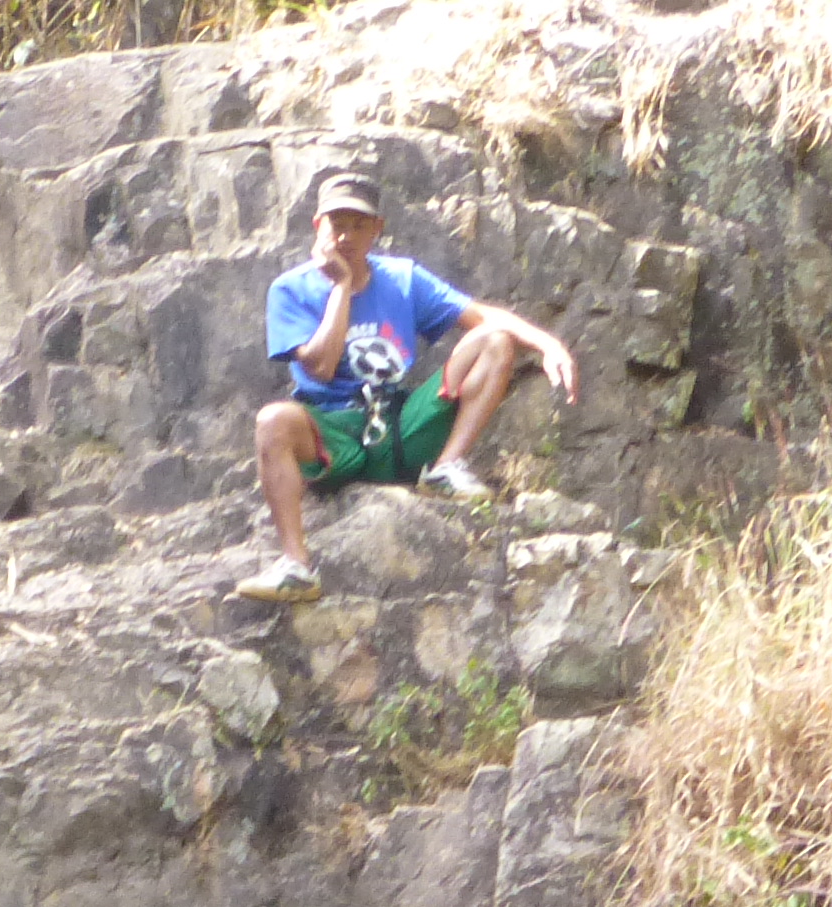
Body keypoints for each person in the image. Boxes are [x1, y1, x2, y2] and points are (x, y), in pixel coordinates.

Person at [234, 169, 577, 604]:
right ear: (319, 226)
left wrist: (546, 343)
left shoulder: (402, 278)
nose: (347, 236)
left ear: (377, 230)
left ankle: (445, 469)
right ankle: (296, 566)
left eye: (359, 225)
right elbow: (320, 367)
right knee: (272, 421)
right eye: (338, 224)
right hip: (332, 431)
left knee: (494, 341)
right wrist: (341, 288)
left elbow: (479, 315)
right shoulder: (290, 290)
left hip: (398, 426)